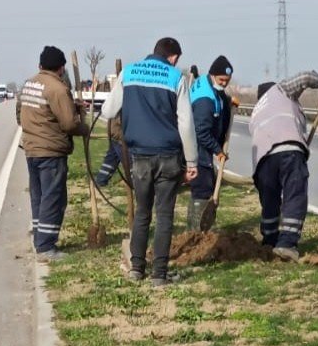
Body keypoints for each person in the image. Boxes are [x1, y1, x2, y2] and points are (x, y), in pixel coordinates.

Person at [101, 37, 198, 287]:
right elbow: (186, 123)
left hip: (140, 157)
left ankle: (136, 269)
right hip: (169, 157)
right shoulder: (176, 77)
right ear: (174, 57)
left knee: (143, 212)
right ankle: (159, 274)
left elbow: (108, 112)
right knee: (164, 214)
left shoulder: (129, 72)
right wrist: (192, 162)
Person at [249, 70, 318, 261]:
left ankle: (269, 240)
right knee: (294, 195)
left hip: (262, 160)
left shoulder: (256, 111)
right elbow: (304, 78)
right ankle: (287, 244)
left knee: (269, 200)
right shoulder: (279, 91)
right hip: (288, 150)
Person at [16, 45, 85, 262]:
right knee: (53, 198)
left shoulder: (29, 84)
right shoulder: (58, 88)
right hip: (51, 152)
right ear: (62, 68)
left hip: (31, 150)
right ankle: (46, 248)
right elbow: (69, 124)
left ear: (40, 65)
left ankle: (39, 237)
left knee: (39, 196)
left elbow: (21, 114)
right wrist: (84, 125)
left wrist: (70, 105)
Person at [187, 55, 234, 229]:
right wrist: (218, 150)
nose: (224, 83)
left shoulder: (208, 85)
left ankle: (195, 229)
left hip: (200, 149)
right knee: (203, 188)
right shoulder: (205, 99)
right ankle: (198, 232)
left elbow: (219, 98)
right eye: (222, 80)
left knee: (204, 186)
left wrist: (228, 101)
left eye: (227, 81)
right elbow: (201, 132)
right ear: (213, 75)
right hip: (197, 150)